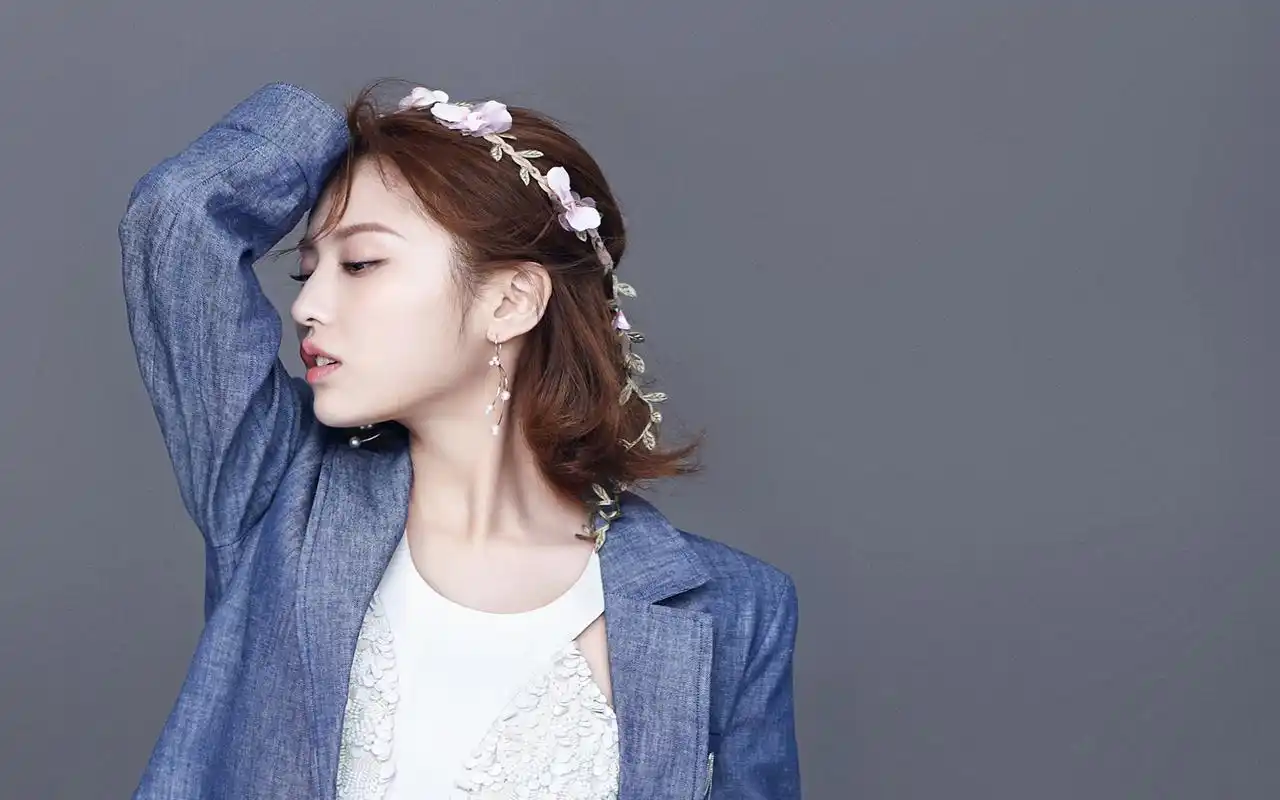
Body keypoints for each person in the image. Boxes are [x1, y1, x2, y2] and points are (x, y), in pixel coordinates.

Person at [119, 79, 800, 799]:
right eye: (306, 271)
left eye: (361, 263)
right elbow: (177, 218)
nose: (308, 306)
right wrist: (361, 135)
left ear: (510, 301)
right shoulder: (282, 495)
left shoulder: (732, 610)